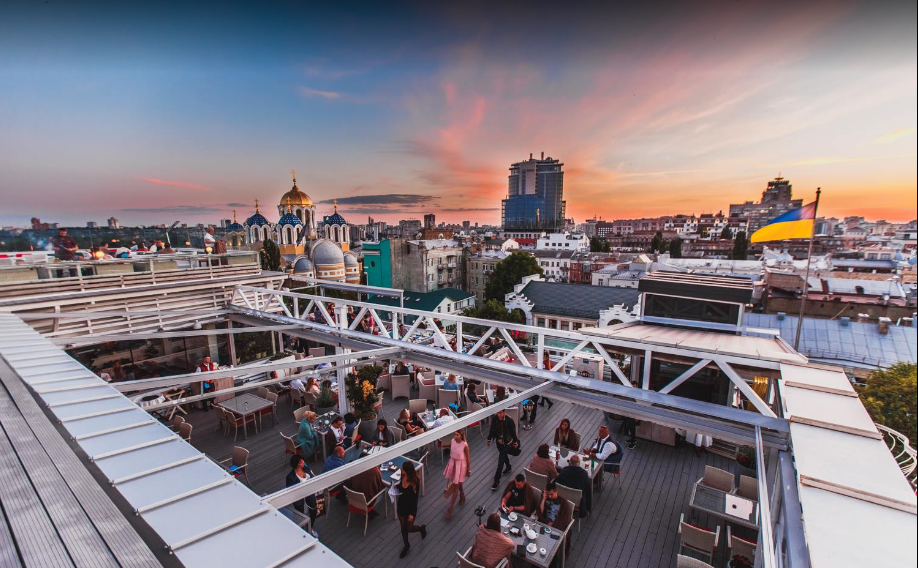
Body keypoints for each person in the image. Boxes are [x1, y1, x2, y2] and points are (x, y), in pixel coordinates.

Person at [395, 461, 427, 558]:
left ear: (407, 471)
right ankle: (406, 545)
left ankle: (421, 529)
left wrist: (412, 514)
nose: (401, 470)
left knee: (409, 528)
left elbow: (414, 500)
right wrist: (396, 486)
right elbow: (402, 489)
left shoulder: (415, 482)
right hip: (401, 506)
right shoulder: (402, 477)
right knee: (403, 526)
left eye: (403, 469)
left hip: (410, 509)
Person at [285, 455, 320, 538]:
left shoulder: (305, 468)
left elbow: (312, 477)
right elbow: (290, 491)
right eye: (301, 462)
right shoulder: (290, 477)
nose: (303, 462)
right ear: (297, 464)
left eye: (303, 460)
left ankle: (310, 528)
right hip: (299, 498)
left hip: (309, 493)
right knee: (300, 515)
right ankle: (302, 530)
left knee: (314, 511)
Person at [487, 409, 519, 491]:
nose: (499, 414)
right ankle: (508, 466)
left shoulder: (509, 420)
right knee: (503, 456)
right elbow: (492, 428)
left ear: (504, 412)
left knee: (500, 462)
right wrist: (489, 438)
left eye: (500, 413)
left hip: (507, 443)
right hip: (499, 443)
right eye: (498, 412)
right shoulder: (495, 418)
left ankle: (496, 481)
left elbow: (513, 432)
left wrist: (515, 441)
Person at [443, 429, 470, 519]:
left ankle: (450, 508)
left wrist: (468, 470)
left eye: (457, 435)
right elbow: (452, 453)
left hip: (461, 466)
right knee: (457, 483)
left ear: (461, 435)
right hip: (453, 464)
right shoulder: (452, 441)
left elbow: (468, 458)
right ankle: (462, 495)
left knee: (456, 486)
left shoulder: (465, 445)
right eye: (455, 434)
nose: (455, 436)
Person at [555, 453, 592, 518]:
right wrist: (589, 507)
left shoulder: (564, 471)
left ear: (569, 463)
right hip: (578, 503)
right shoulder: (584, 474)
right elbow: (588, 490)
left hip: (563, 499)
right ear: (579, 463)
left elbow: (557, 481)